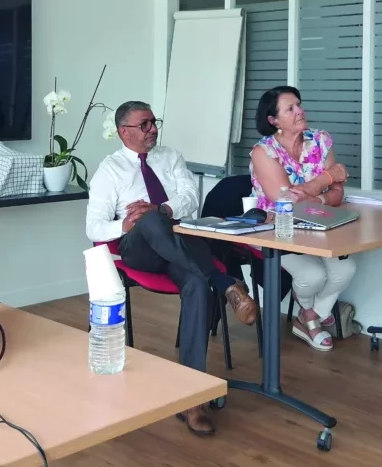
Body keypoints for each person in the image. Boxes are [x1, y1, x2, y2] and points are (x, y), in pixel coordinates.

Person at [86, 100, 257, 436]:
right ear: (124, 132)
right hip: (138, 249)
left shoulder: (170, 157)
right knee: (147, 220)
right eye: (145, 124)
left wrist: (162, 208)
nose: (153, 129)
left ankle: (192, 398)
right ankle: (224, 282)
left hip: (179, 244)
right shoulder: (110, 170)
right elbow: (93, 226)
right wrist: (125, 224)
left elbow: (191, 197)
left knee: (194, 281)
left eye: (154, 122)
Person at [249, 85, 355, 352]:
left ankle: (309, 316)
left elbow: (338, 194)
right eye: (290, 108)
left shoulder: (320, 139)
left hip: (319, 225)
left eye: (299, 104)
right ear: (274, 121)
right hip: (276, 229)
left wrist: (315, 197)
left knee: (346, 269)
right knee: (313, 275)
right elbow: (285, 201)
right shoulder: (264, 152)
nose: (300, 111)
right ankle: (312, 320)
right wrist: (327, 179)